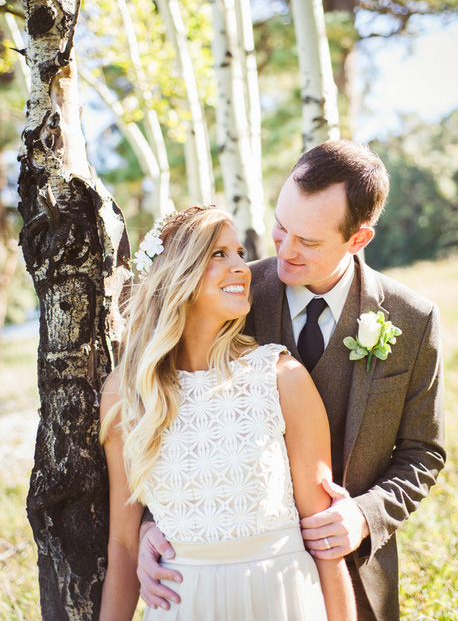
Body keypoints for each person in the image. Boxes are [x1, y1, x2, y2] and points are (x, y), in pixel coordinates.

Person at [138, 141, 445, 621]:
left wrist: (364, 515)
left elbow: (423, 451)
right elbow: (175, 409)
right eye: (281, 225)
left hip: (357, 575)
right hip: (247, 581)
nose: (284, 247)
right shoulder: (232, 293)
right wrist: (151, 525)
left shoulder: (413, 319)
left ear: (358, 239)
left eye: (309, 240)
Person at [99, 206, 357, 621]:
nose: (242, 266)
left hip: (284, 599)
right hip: (183, 606)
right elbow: (125, 545)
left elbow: (324, 541)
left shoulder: (281, 378)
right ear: (176, 273)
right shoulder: (126, 393)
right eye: (219, 254)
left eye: (239, 253)